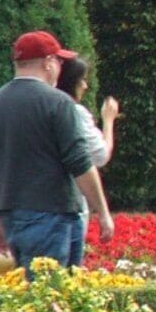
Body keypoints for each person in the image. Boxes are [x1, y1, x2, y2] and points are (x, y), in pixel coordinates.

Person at [0, 30, 101, 269]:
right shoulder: (58, 102)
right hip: (53, 214)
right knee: (51, 296)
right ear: (48, 62)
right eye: (60, 61)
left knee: (37, 294)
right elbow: (80, 162)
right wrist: (103, 212)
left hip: (12, 213)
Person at [54, 50, 124, 244]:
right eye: (82, 80)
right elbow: (100, 155)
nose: (85, 86)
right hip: (68, 204)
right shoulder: (75, 112)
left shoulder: (38, 106)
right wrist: (108, 121)